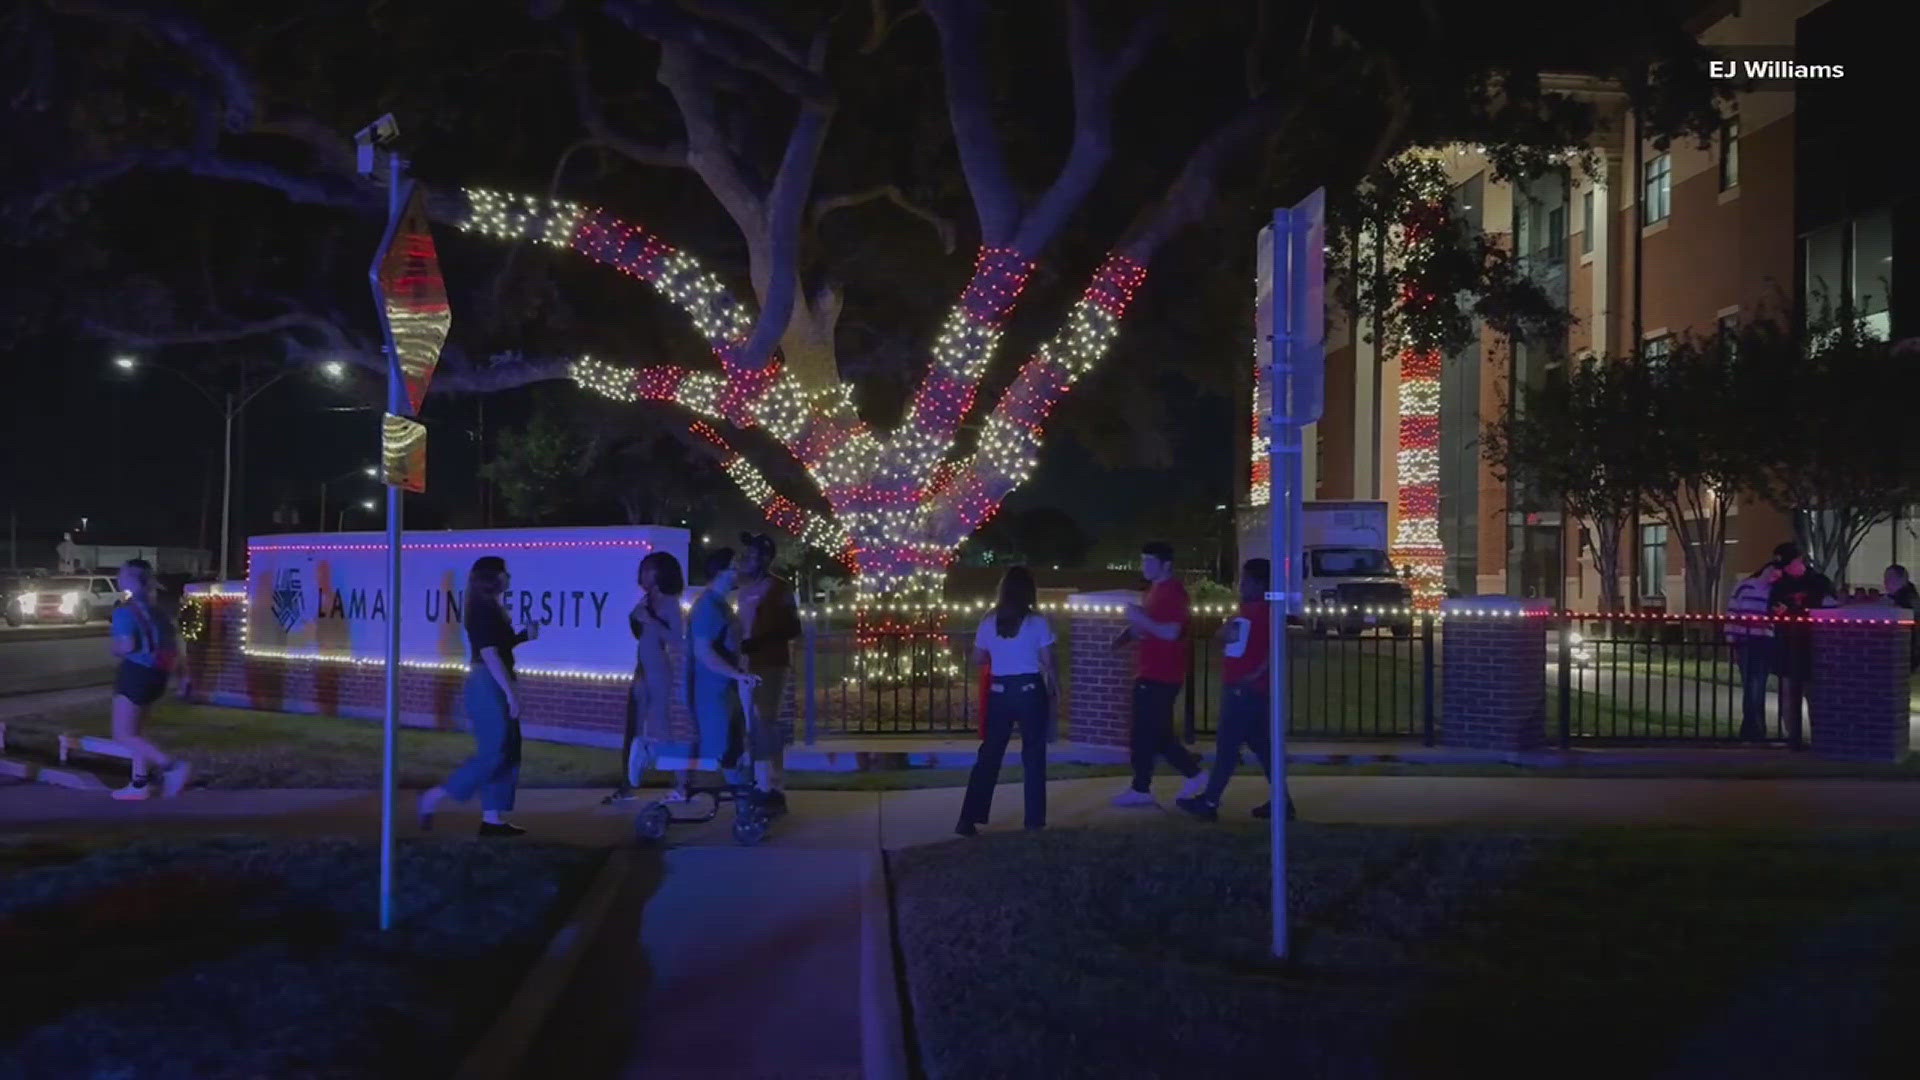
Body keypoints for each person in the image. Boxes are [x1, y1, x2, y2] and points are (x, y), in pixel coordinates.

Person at [419, 556, 541, 836]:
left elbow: (499, 645)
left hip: (495, 679)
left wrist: (523, 637)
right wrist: (510, 694)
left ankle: (492, 819)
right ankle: (434, 796)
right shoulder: (482, 610)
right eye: (504, 573)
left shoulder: (490, 607)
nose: (508, 578)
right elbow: (488, 653)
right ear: (492, 578)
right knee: (495, 751)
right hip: (488, 683)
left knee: (508, 750)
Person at [1177, 558, 1294, 822]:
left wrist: (1252, 675)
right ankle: (1283, 803)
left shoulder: (1259, 613)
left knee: (1228, 747)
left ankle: (1209, 802)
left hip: (1244, 690)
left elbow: (1262, 647)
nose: (1241, 586)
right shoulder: (1256, 611)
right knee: (1262, 748)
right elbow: (1228, 636)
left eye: (1246, 581)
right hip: (1249, 689)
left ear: (1259, 584)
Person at [957, 567, 1057, 836]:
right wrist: (1051, 684)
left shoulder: (989, 620)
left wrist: (1000, 655)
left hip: (1000, 693)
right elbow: (1048, 661)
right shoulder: (1038, 621)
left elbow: (978, 658)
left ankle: (968, 818)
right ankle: (1034, 821)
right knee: (1034, 756)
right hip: (1029, 690)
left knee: (989, 755)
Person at [1111, 541, 1207, 807]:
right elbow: (1152, 628)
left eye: (1149, 562)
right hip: (1150, 671)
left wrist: (1139, 619)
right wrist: (1127, 635)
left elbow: (1170, 632)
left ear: (1166, 564)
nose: (1145, 567)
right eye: (1143, 561)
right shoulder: (1153, 590)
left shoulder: (1174, 593)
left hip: (1162, 674)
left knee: (1143, 733)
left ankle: (1142, 789)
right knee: (1158, 734)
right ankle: (1194, 775)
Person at [671, 548, 761, 797]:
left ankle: (744, 800)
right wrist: (737, 674)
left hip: (725, 690)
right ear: (721, 572)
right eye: (734, 566)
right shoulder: (708, 607)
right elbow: (703, 651)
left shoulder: (721, 605)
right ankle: (648, 751)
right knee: (717, 748)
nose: (739, 571)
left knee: (732, 747)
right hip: (710, 691)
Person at [108, 559, 191, 800]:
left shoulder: (125, 612)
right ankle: (139, 783)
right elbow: (174, 648)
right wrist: (183, 677)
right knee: (137, 733)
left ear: (133, 580)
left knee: (123, 734)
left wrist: (115, 648)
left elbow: (126, 645)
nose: (119, 578)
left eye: (122, 575)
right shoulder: (159, 613)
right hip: (158, 676)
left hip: (135, 673)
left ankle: (172, 767)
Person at [607, 551, 685, 804]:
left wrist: (649, 620)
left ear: (659, 573)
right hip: (642, 667)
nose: (641, 574)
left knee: (661, 725)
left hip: (659, 669)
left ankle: (682, 785)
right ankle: (627, 785)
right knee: (634, 727)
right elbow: (639, 632)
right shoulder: (646, 599)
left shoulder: (670, 602)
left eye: (646, 569)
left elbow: (675, 637)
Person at [736, 533, 802, 814]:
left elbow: (793, 628)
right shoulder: (742, 587)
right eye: (746, 554)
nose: (747, 559)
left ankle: (771, 785)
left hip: (770, 663)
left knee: (766, 720)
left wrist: (760, 641)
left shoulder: (780, 589)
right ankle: (764, 780)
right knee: (754, 724)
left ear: (764, 558)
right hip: (745, 664)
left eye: (752, 555)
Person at [1767, 543, 1835, 751]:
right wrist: (1776, 613)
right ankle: (1793, 739)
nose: (1784, 569)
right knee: (1789, 696)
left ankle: (1821, 738)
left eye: (1788, 564)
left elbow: (1832, 606)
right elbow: (1771, 610)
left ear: (1799, 561)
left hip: (1813, 647)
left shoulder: (1818, 583)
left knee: (1814, 695)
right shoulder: (1780, 586)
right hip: (1787, 647)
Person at [1724, 561, 1783, 743]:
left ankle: (1753, 729)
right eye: (1774, 572)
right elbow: (1732, 613)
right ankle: (1754, 729)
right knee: (1752, 686)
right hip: (1747, 640)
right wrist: (1731, 640)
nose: (1776, 576)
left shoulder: (1775, 592)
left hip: (1764, 640)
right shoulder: (1745, 587)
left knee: (1757, 685)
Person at [1885, 564, 1919, 672]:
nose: (1886, 582)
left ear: (1902, 579)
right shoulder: (1908, 597)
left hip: (1908, 654)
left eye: (1890, 577)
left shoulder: (1906, 599)